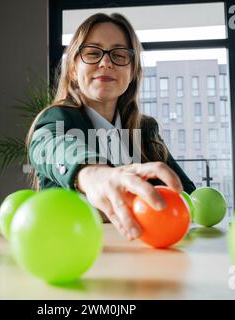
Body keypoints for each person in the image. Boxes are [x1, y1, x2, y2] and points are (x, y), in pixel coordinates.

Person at [26, 13, 195, 241]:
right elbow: (48, 145)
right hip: (73, 251)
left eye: (119, 55)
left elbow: (186, 195)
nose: (106, 62)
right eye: (93, 53)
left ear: (132, 71)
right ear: (74, 69)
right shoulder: (58, 118)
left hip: (143, 259)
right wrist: (92, 174)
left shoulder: (144, 129)